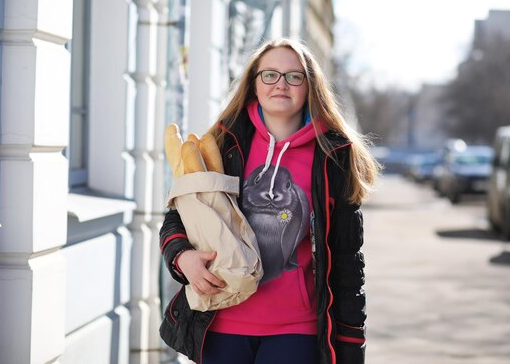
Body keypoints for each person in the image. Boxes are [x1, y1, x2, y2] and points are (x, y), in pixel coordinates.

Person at [159, 38, 380, 364]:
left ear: (310, 86)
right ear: (254, 83)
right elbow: (178, 217)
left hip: (296, 329)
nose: (281, 84)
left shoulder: (333, 156)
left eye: (294, 76)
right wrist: (183, 258)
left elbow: (347, 259)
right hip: (221, 320)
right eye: (270, 75)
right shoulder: (222, 144)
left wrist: (351, 343)